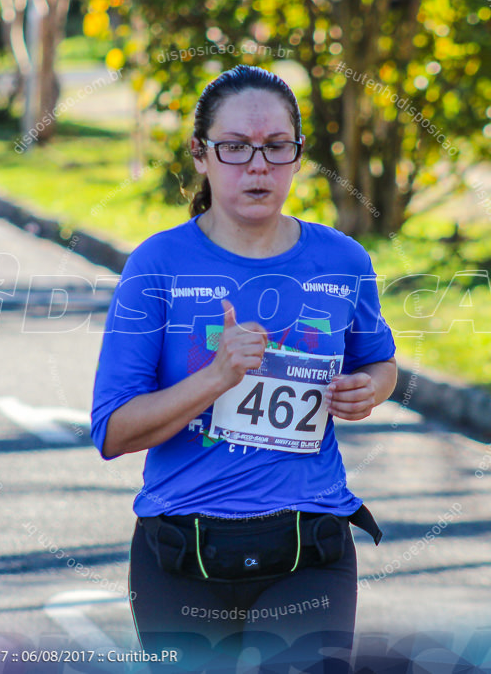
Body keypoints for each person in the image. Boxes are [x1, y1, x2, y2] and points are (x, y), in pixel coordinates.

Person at [90, 65, 398, 672]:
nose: (257, 166)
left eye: (276, 147)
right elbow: (114, 431)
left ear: (297, 155)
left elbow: (379, 362)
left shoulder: (343, 259)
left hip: (310, 548)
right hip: (183, 556)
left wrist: (373, 389)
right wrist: (215, 378)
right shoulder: (158, 265)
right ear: (202, 157)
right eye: (234, 148)